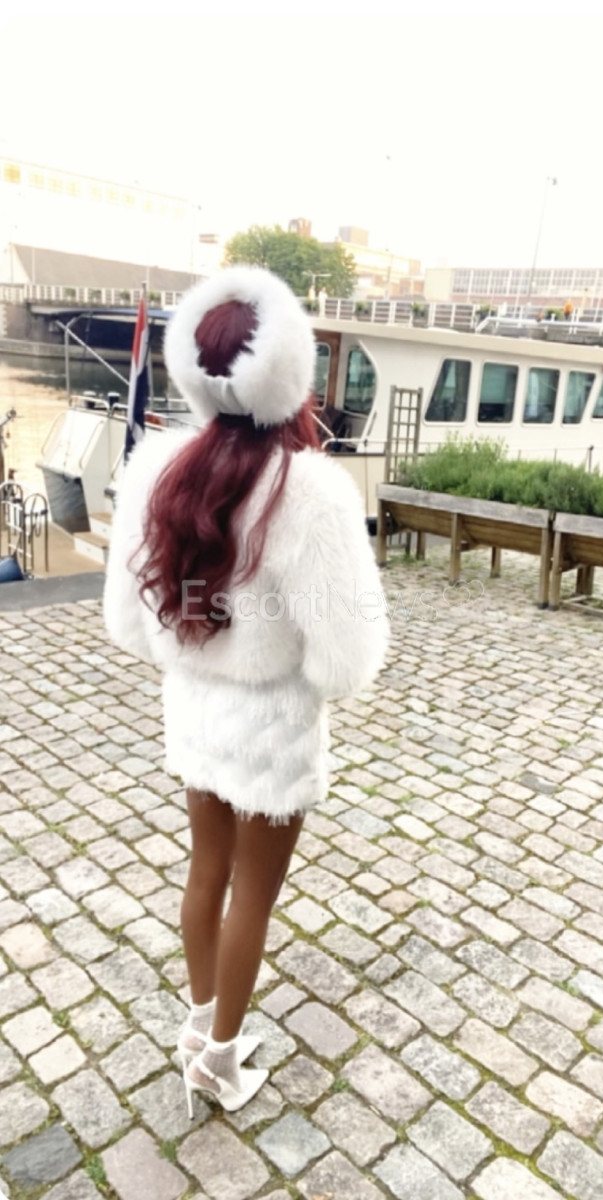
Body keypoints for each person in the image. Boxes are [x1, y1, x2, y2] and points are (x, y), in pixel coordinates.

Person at [103, 267, 388, 1117]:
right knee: (252, 896)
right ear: (288, 367)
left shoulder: (156, 469)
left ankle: (202, 1027)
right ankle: (218, 1062)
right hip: (273, 728)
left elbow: (128, 621)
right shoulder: (312, 488)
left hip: (197, 712)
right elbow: (347, 660)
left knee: (206, 871)